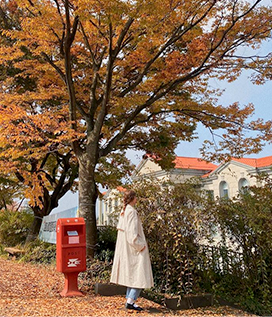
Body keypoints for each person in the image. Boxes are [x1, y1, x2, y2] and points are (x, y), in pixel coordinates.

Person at [110, 190, 154, 311]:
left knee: (133, 276)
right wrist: (140, 245)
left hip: (127, 249)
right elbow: (132, 233)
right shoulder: (132, 212)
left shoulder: (124, 211)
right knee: (139, 276)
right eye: (136, 197)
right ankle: (131, 301)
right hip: (134, 249)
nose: (137, 199)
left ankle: (130, 300)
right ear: (133, 198)